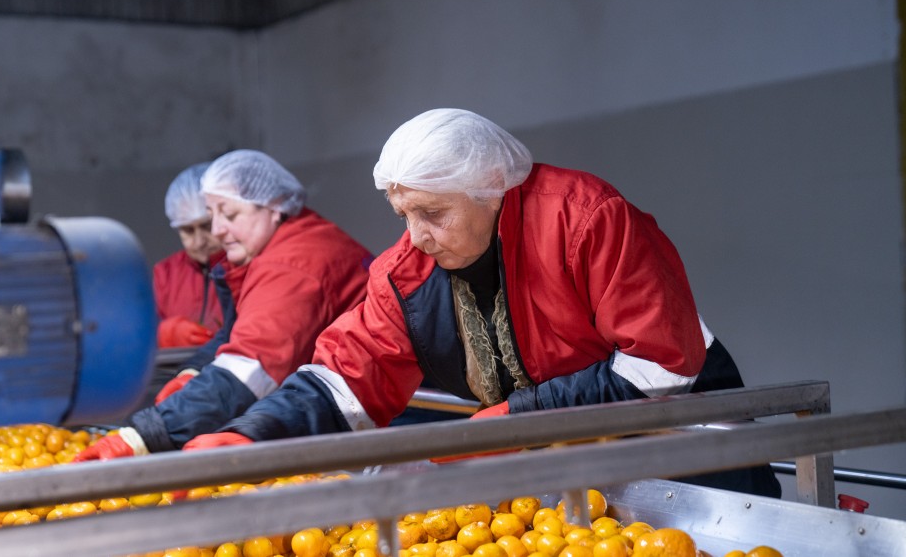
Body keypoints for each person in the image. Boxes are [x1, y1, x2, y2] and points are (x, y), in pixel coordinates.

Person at [181, 108, 782, 498]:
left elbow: (661, 364)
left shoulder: (585, 219)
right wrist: (253, 434)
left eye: (433, 214)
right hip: (574, 482)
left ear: (491, 190)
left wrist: (515, 419)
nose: (414, 235)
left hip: (694, 467)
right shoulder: (409, 271)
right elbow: (348, 376)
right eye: (404, 215)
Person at [74, 150, 373, 459]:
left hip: (378, 421)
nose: (216, 231)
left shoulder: (293, 266)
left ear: (273, 208)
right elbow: (236, 333)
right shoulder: (280, 249)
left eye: (228, 215)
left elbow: (247, 371)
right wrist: (192, 373)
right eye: (212, 214)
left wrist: (145, 436)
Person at [153, 162, 226, 349]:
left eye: (206, 226)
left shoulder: (245, 266)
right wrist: (166, 334)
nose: (200, 241)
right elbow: (135, 335)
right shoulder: (165, 274)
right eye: (188, 230)